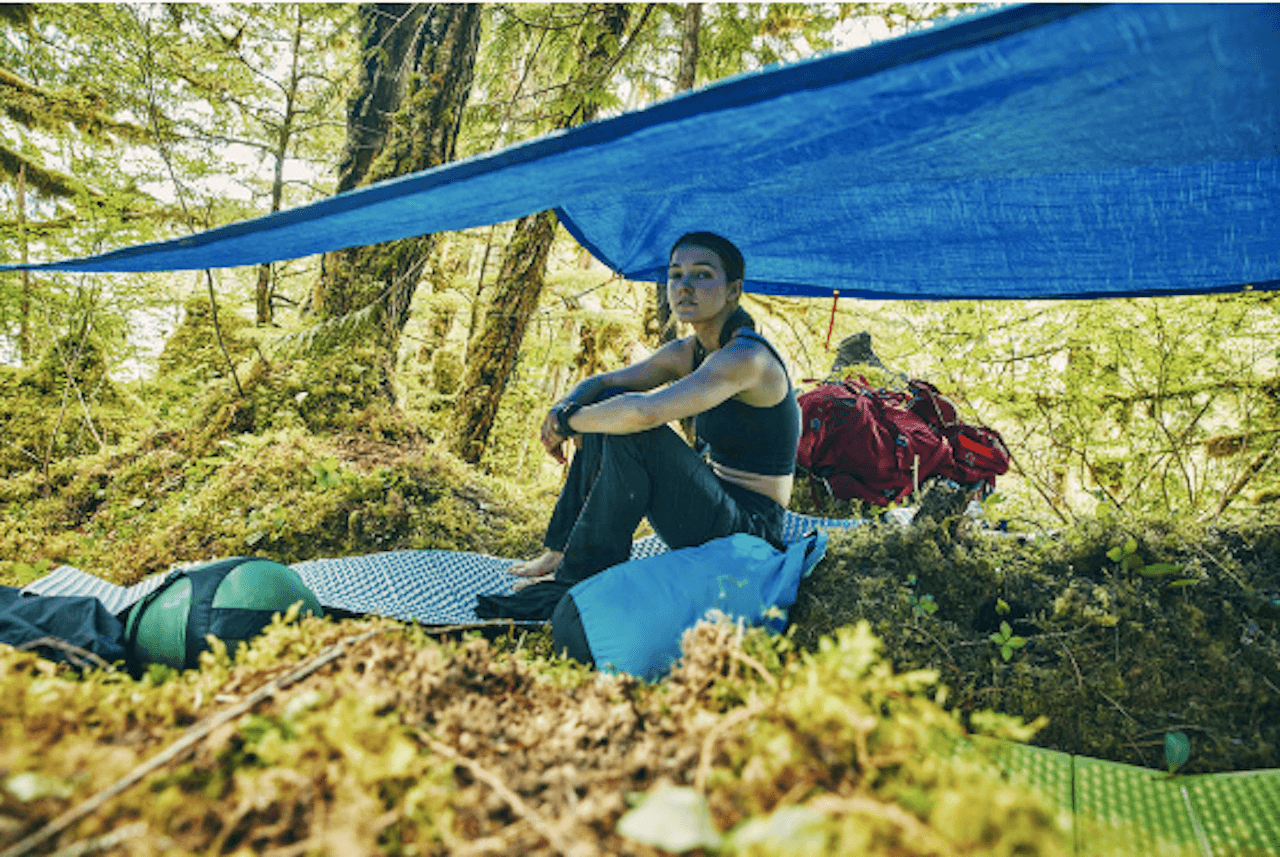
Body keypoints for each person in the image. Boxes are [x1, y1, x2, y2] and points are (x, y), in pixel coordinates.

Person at [475, 232, 800, 627]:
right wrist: (562, 408)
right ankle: (560, 551)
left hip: (751, 536)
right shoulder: (691, 351)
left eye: (702, 275)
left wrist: (567, 422)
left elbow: (645, 414)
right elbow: (607, 383)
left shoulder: (746, 358)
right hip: (712, 509)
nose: (684, 286)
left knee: (633, 428)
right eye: (676, 275)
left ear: (733, 291)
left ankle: (578, 583)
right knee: (606, 410)